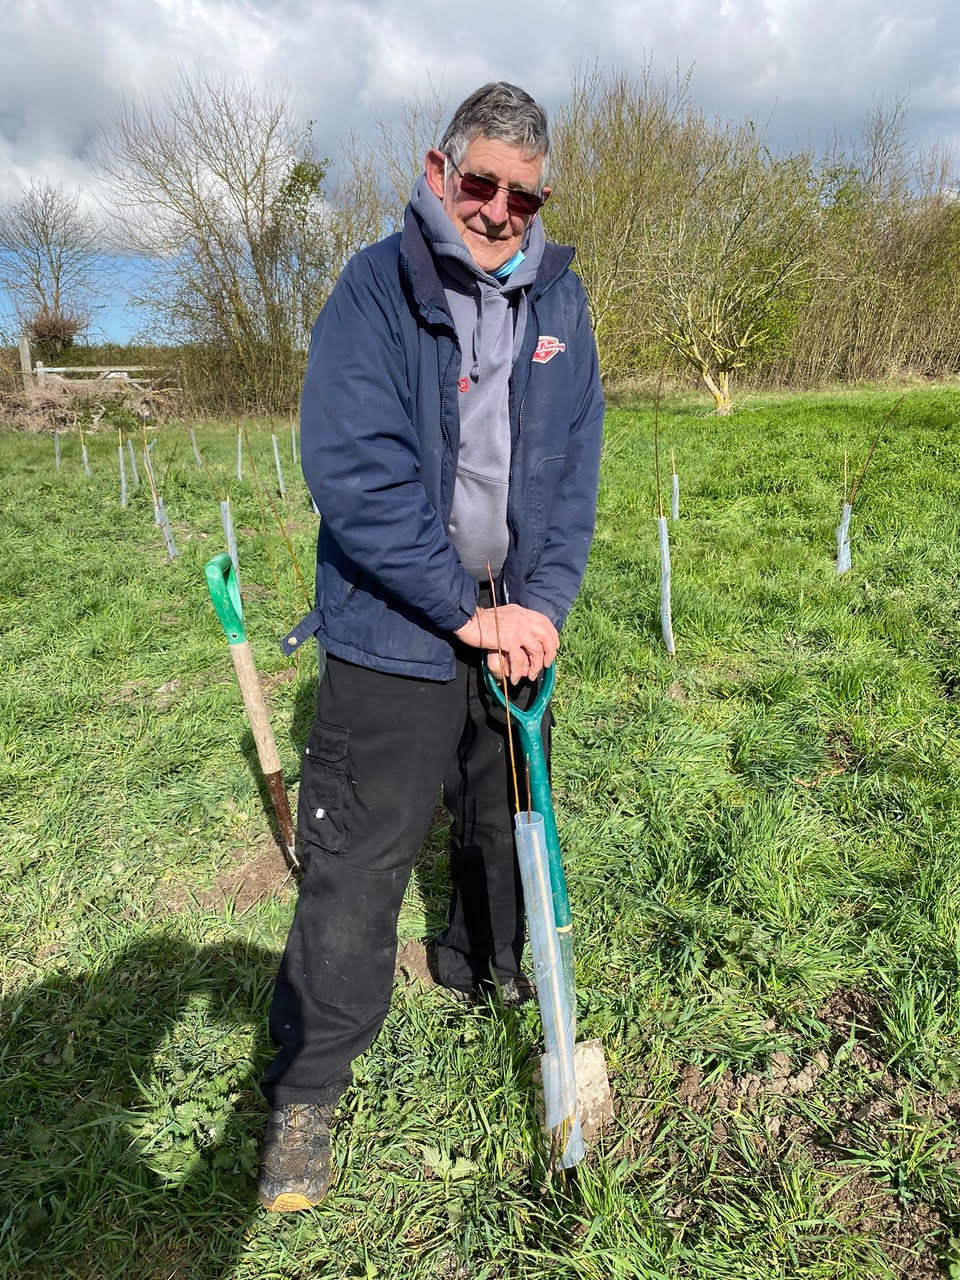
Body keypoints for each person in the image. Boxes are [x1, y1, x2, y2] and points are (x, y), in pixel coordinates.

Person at [257, 81, 604, 1212]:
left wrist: (539, 607)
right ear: (436, 170)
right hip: (394, 624)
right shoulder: (374, 288)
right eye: (481, 183)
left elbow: (574, 474)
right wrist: (464, 611)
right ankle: (307, 1089)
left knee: (506, 827)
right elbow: (356, 475)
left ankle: (488, 971)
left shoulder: (561, 299)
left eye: (524, 194)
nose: (499, 210)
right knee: (361, 859)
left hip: (514, 621)